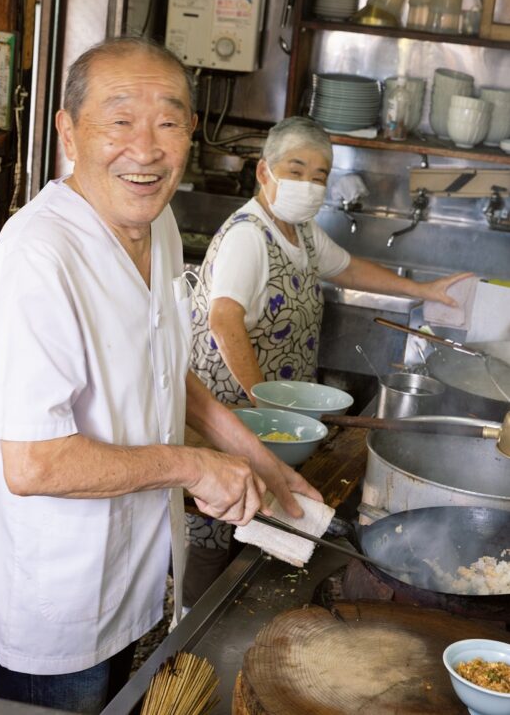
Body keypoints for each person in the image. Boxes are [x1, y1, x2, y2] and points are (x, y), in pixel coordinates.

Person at [0, 39, 322, 714]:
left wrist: (252, 454)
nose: (146, 149)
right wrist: (193, 467)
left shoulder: (153, 224)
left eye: (169, 121)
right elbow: (33, 464)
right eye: (120, 120)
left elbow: (162, 368)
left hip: (138, 576)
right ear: (69, 132)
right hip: (61, 604)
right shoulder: (37, 260)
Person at [184, 115, 472, 607]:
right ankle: (190, 621)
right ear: (264, 171)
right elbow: (223, 320)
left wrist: (423, 290)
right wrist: (263, 400)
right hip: (236, 414)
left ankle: (230, 605)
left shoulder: (300, 232)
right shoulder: (249, 236)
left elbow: (349, 267)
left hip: (274, 422)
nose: (310, 184)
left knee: (253, 522)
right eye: (297, 169)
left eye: (321, 175)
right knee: (218, 523)